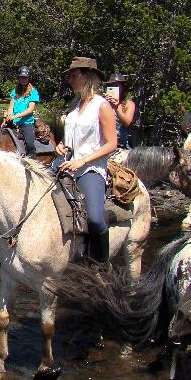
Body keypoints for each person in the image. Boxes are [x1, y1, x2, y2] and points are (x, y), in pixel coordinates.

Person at [54, 57, 118, 263]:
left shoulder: (102, 106)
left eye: (73, 75)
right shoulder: (75, 107)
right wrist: (60, 146)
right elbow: (71, 138)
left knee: (95, 219)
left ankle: (101, 265)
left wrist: (83, 161)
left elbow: (111, 144)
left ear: (87, 77)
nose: (69, 79)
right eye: (69, 76)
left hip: (90, 169)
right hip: (67, 165)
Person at [3, 65, 40, 156]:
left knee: (30, 145)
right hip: (13, 121)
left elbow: (30, 110)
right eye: (21, 77)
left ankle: (33, 161)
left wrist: (15, 116)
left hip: (26, 123)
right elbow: (11, 108)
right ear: (18, 78)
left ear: (29, 78)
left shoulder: (33, 92)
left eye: (25, 78)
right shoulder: (14, 92)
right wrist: (6, 118)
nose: (23, 79)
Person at [104, 73, 138, 149]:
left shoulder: (128, 104)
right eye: (111, 86)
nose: (113, 88)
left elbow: (126, 122)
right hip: (104, 144)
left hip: (120, 144)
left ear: (123, 87)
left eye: (116, 86)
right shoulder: (103, 103)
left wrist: (116, 107)